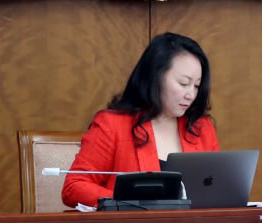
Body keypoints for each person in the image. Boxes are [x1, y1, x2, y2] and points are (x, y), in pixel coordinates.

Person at [62, 32, 218, 208]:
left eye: (196, 86)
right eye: (183, 83)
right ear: (155, 76)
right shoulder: (112, 125)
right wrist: (129, 202)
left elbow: (216, 189)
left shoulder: (202, 128)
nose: (191, 95)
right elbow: (73, 187)